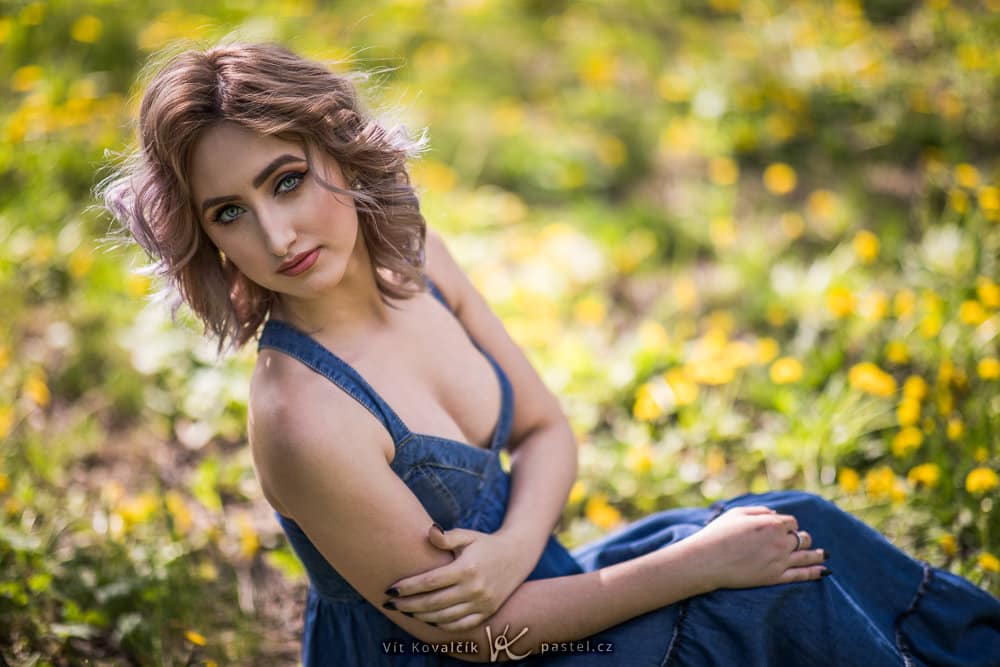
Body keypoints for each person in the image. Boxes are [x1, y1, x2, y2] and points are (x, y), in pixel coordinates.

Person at [100, 41, 1000, 666]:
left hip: (542, 585)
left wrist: (509, 549)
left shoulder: (411, 258)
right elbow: (476, 639)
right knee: (768, 590)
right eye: (231, 213)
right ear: (207, 240)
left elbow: (543, 427)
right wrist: (692, 566)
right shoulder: (302, 417)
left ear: (336, 146)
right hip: (484, 653)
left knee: (797, 522)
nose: (277, 232)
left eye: (286, 179)